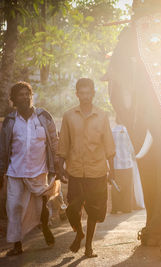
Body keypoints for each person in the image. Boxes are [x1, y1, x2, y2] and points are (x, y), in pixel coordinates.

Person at [57, 78, 116, 257]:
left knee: (93, 210)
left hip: (97, 171)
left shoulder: (102, 116)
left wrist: (111, 171)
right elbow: (63, 144)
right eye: (81, 93)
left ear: (93, 94)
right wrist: (60, 168)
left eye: (88, 93)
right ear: (77, 94)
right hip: (75, 170)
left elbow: (109, 146)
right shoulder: (68, 116)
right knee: (71, 209)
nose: (85, 97)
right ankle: (79, 233)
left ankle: (88, 246)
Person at [0, 82, 59, 256]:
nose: (25, 97)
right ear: (13, 100)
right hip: (15, 172)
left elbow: (54, 142)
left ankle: (45, 226)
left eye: (28, 94)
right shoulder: (10, 121)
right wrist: (1, 170)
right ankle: (17, 244)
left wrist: (57, 166)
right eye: (20, 95)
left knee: (42, 207)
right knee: (14, 207)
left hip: (39, 171)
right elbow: (3, 148)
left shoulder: (43, 117)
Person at [111, 118, 136, 213]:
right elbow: (131, 146)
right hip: (127, 163)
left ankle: (115, 208)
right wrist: (133, 155)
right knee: (128, 186)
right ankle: (126, 208)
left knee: (116, 186)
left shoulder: (112, 131)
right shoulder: (127, 131)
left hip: (116, 163)